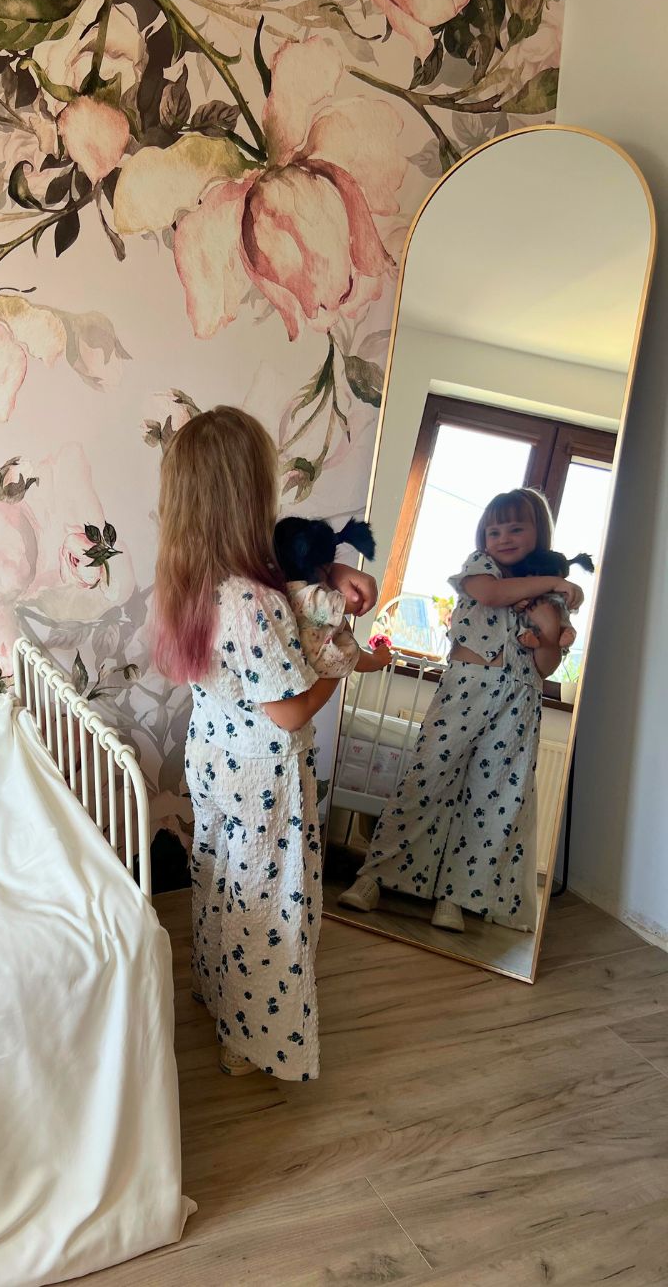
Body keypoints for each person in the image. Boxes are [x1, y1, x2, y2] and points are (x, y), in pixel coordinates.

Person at [152, 407, 377, 1079]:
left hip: (212, 757)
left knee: (220, 883)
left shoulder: (188, 580)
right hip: (260, 774)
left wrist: (332, 575)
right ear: (251, 495)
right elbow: (290, 711)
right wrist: (340, 664)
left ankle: (219, 996)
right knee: (267, 900)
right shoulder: (253, 601)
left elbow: (289, 583)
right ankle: (252, 1038)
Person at [339, 488, 583, 935]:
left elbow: (546, 665)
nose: (503, 537)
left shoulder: (549, 596)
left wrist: (550, 630)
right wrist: (554, 583)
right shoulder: (481, 567)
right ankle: (376, 876)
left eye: (516, 528)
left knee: (495, 798)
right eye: (494, 530)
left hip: (520, 698)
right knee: (426, 778)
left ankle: (456, 896)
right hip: (467, 688)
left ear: (538, 534)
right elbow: (490, 595)